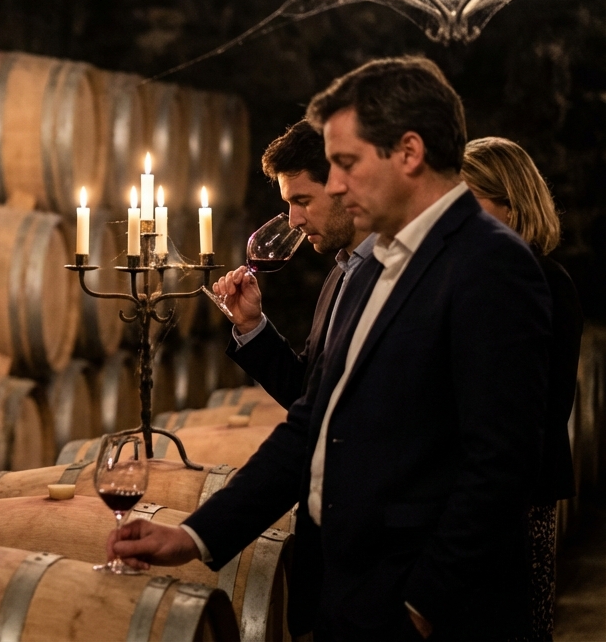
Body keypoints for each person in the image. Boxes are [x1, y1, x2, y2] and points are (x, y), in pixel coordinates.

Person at [108, 57, 552, 641]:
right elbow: (312, 425)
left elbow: (500, 469)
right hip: (352, 599)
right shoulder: (369, 269)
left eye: (346, 163)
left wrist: (419, 608)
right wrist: (194, 535)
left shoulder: (490, 264)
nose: (335, 185)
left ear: (410, 152)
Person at [463, 136, 583, 640]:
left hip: (518, 497)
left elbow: (540, 411)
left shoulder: (542, 283)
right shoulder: (482, 275)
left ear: (511, 209)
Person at [212, 120, 375, 407]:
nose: (293, 220)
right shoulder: (341, 273)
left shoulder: (397, 276)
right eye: (289, 204)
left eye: (302, 200)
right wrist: (251, 325)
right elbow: (306, 395)